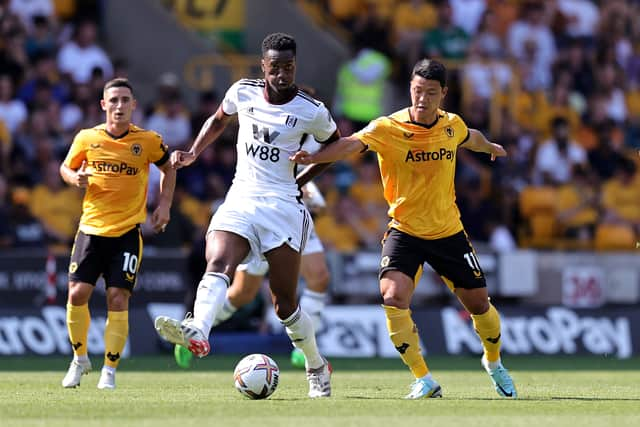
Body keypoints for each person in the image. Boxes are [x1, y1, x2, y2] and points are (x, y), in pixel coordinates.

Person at [291, 59, 517, 399]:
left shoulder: (452, 125)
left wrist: (491, 148)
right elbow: (351, 143)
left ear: (443, 93)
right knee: (392, 297)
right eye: (416, 91)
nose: (422, 99)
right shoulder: (387, 128)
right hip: (405, 232)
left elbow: (472, 138)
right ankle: (424, 378)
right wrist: (316, 158)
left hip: (448, 233)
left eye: (429, 93)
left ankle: (494, 361)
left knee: (480, 305)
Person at [154, 33, 337, 398]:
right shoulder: (243, 91)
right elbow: (219, 120)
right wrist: (192, 152)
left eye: (289, 67)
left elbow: (335, 146)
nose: (282, 74)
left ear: (294, 66)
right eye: (276, 67)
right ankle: (200, 331)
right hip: (241, 199)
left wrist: (306, 172)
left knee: (285, 304)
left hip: (283, 207)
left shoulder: (311, 110)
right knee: (218, 260)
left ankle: (316, 365)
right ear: (263, 65)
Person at [59, 77, 176, 390]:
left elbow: (169, 167)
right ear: (103, 105)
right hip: (91, 229)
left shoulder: (148, 141)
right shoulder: (87, 138)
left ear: (134, 105)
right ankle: (79, 359)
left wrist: (164, 206)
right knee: (76, 294)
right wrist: (75, 179)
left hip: (126, 232)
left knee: (117, 296)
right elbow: (65, 168)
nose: (120, 106)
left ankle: (109, 369)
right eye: (114, 100)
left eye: (125, 100)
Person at [174, 180, 331, 369]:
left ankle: (303, 352)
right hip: (262, 218)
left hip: (295, 221)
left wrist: (311, 200)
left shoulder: (304, 157)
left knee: (319, 277)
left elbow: (319, 205)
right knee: (242, 293)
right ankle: (196, 328)